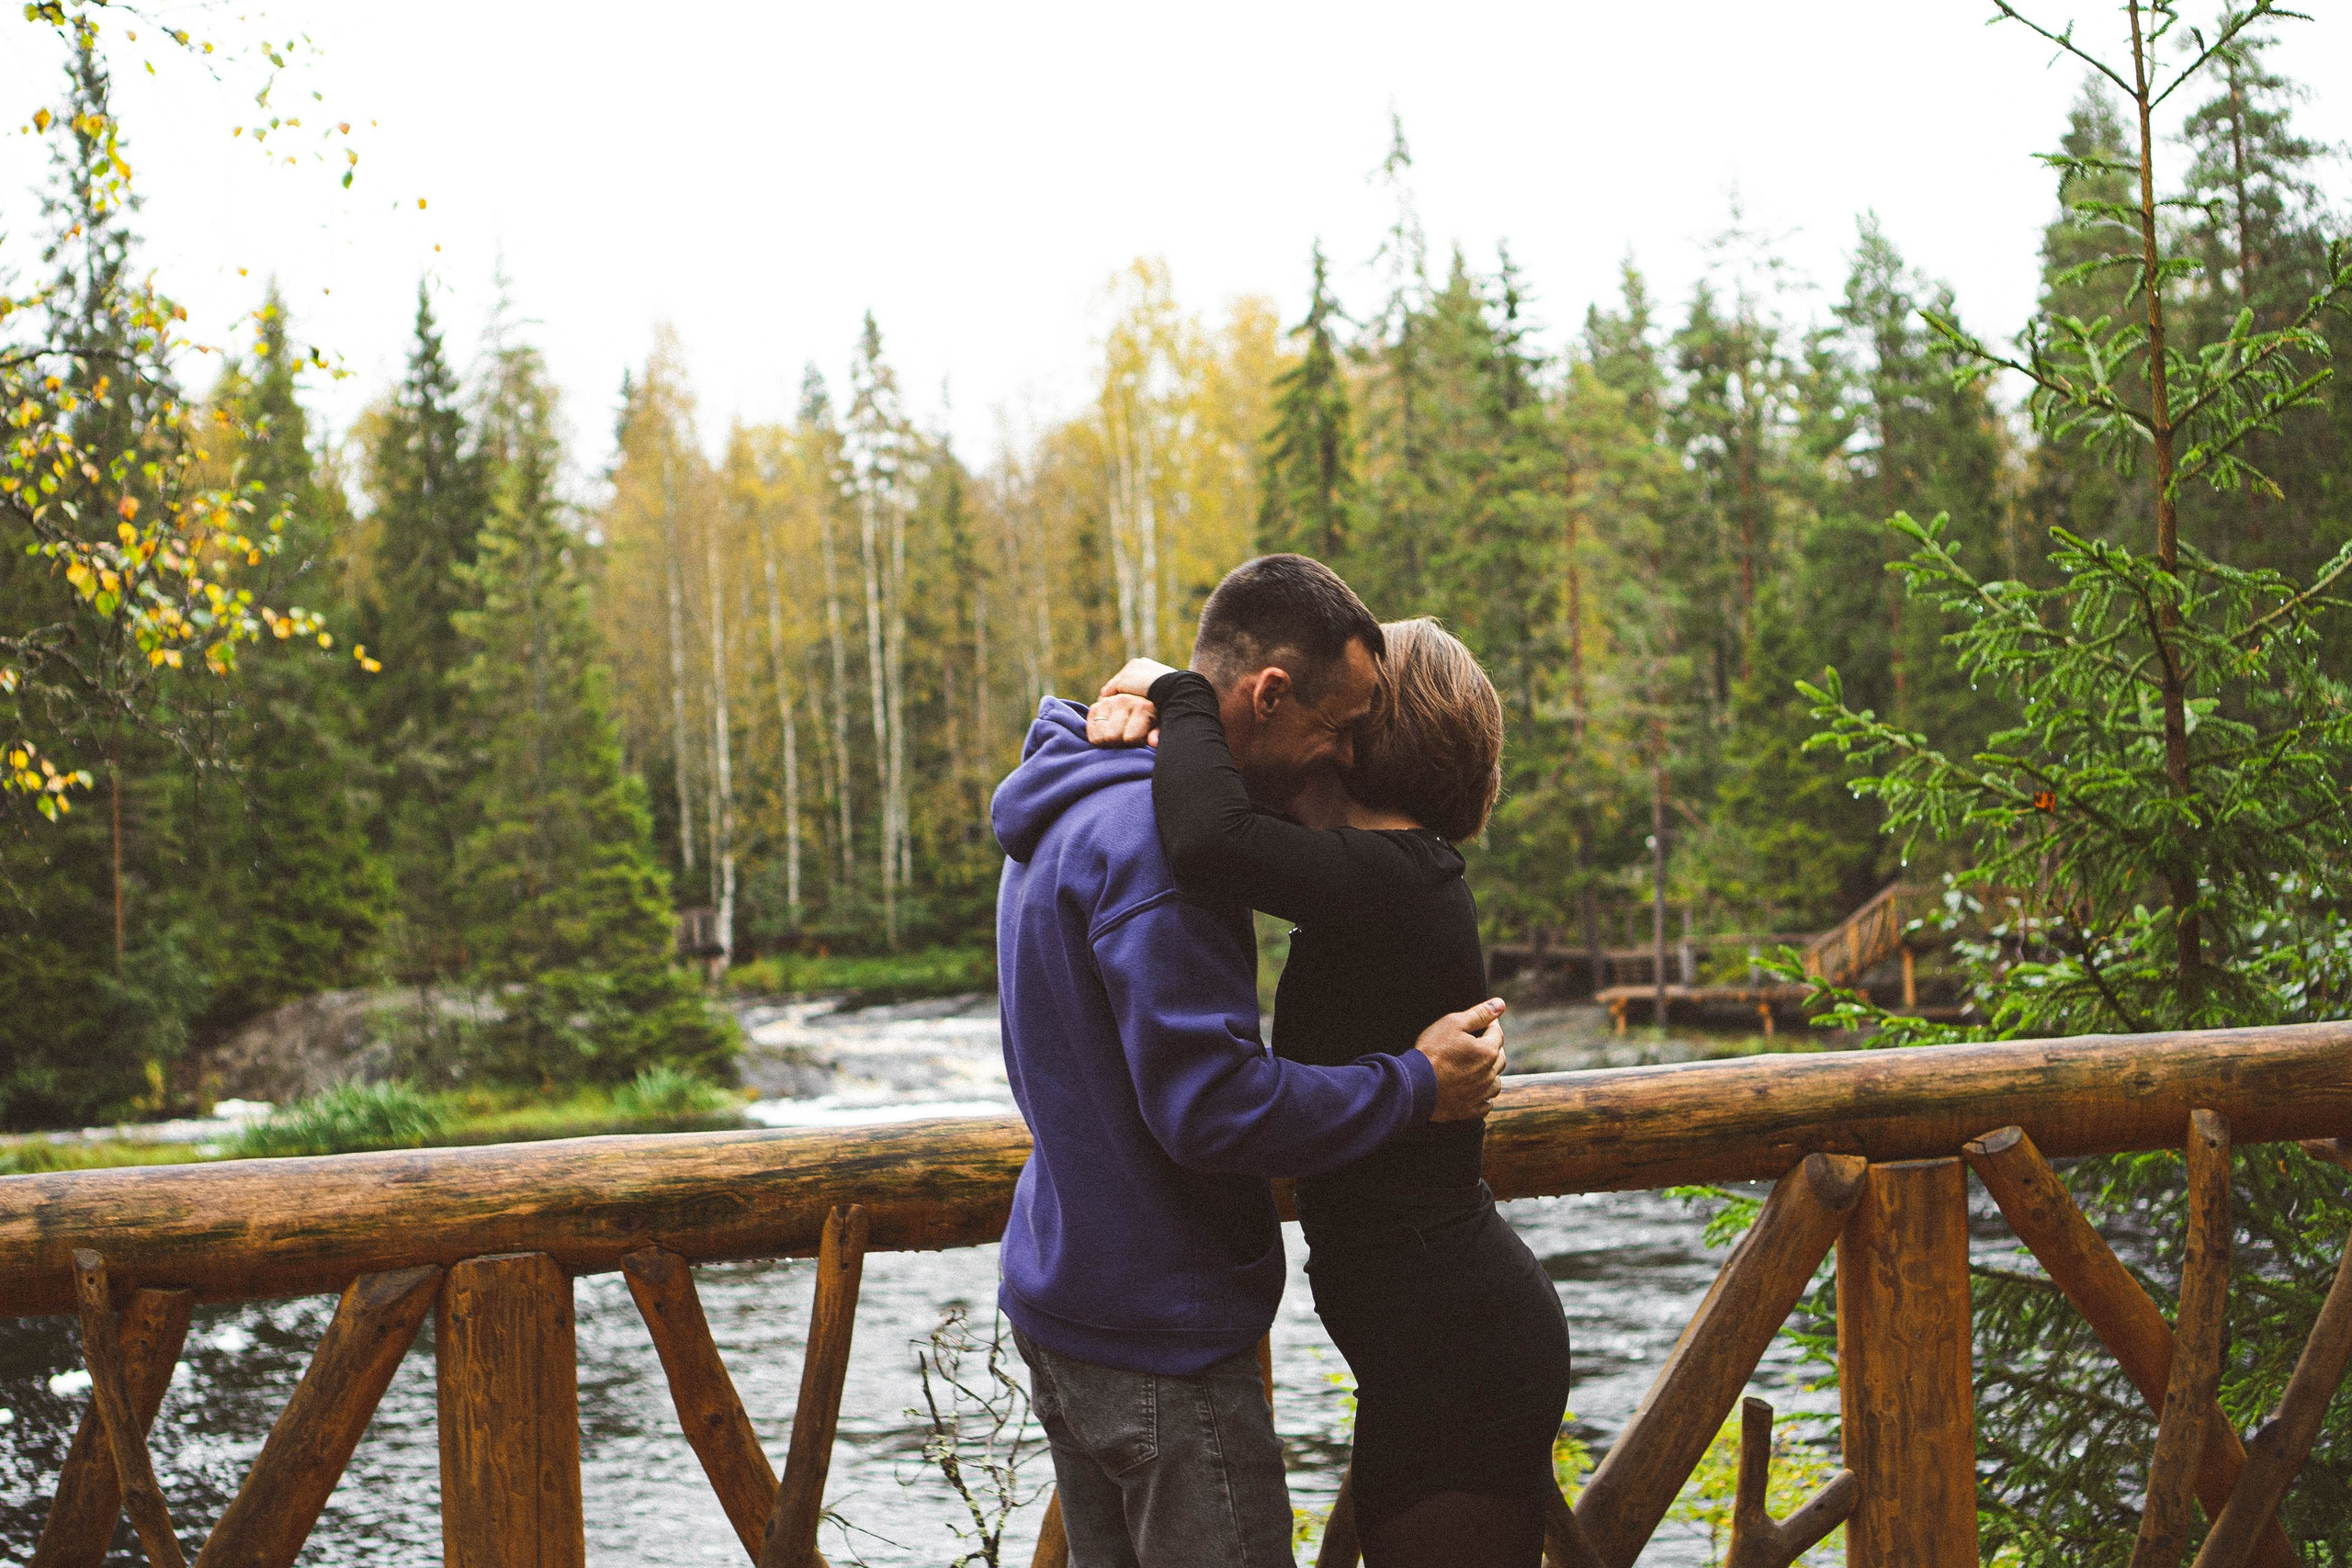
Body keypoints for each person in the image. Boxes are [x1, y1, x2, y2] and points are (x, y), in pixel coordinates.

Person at [989, 554, 1510, 1568]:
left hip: (1063, 1302)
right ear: (1270, 694)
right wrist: (1413, 1083)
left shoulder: (1066, 801)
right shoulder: (1159, 852)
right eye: (1344, 727)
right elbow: (1213, 1109)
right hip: (1163, 1335)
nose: (1346, 756)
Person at [1088, 615, 1571, 1568]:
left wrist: (1182, 689)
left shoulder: (1395, 877)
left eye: (1347, 711)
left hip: (1457, 1350)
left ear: (1367, 740)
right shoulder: (1377, 875)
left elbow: (1207, 836)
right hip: (1430, 1345)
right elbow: (1225, 818)